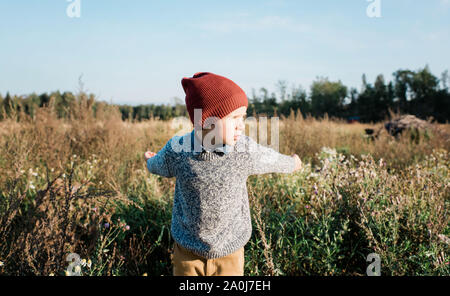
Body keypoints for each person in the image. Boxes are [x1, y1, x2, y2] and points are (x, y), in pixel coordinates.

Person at [145, 72, 302, 276]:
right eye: (234, 118)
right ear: (205, 121)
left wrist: (292, 163)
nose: (241, 125)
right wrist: (151, 161)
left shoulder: (243, 150)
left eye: (243, 117)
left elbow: (270, 158)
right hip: (187, 252)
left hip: (230, 252)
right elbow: (158, 164)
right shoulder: (177, 150)